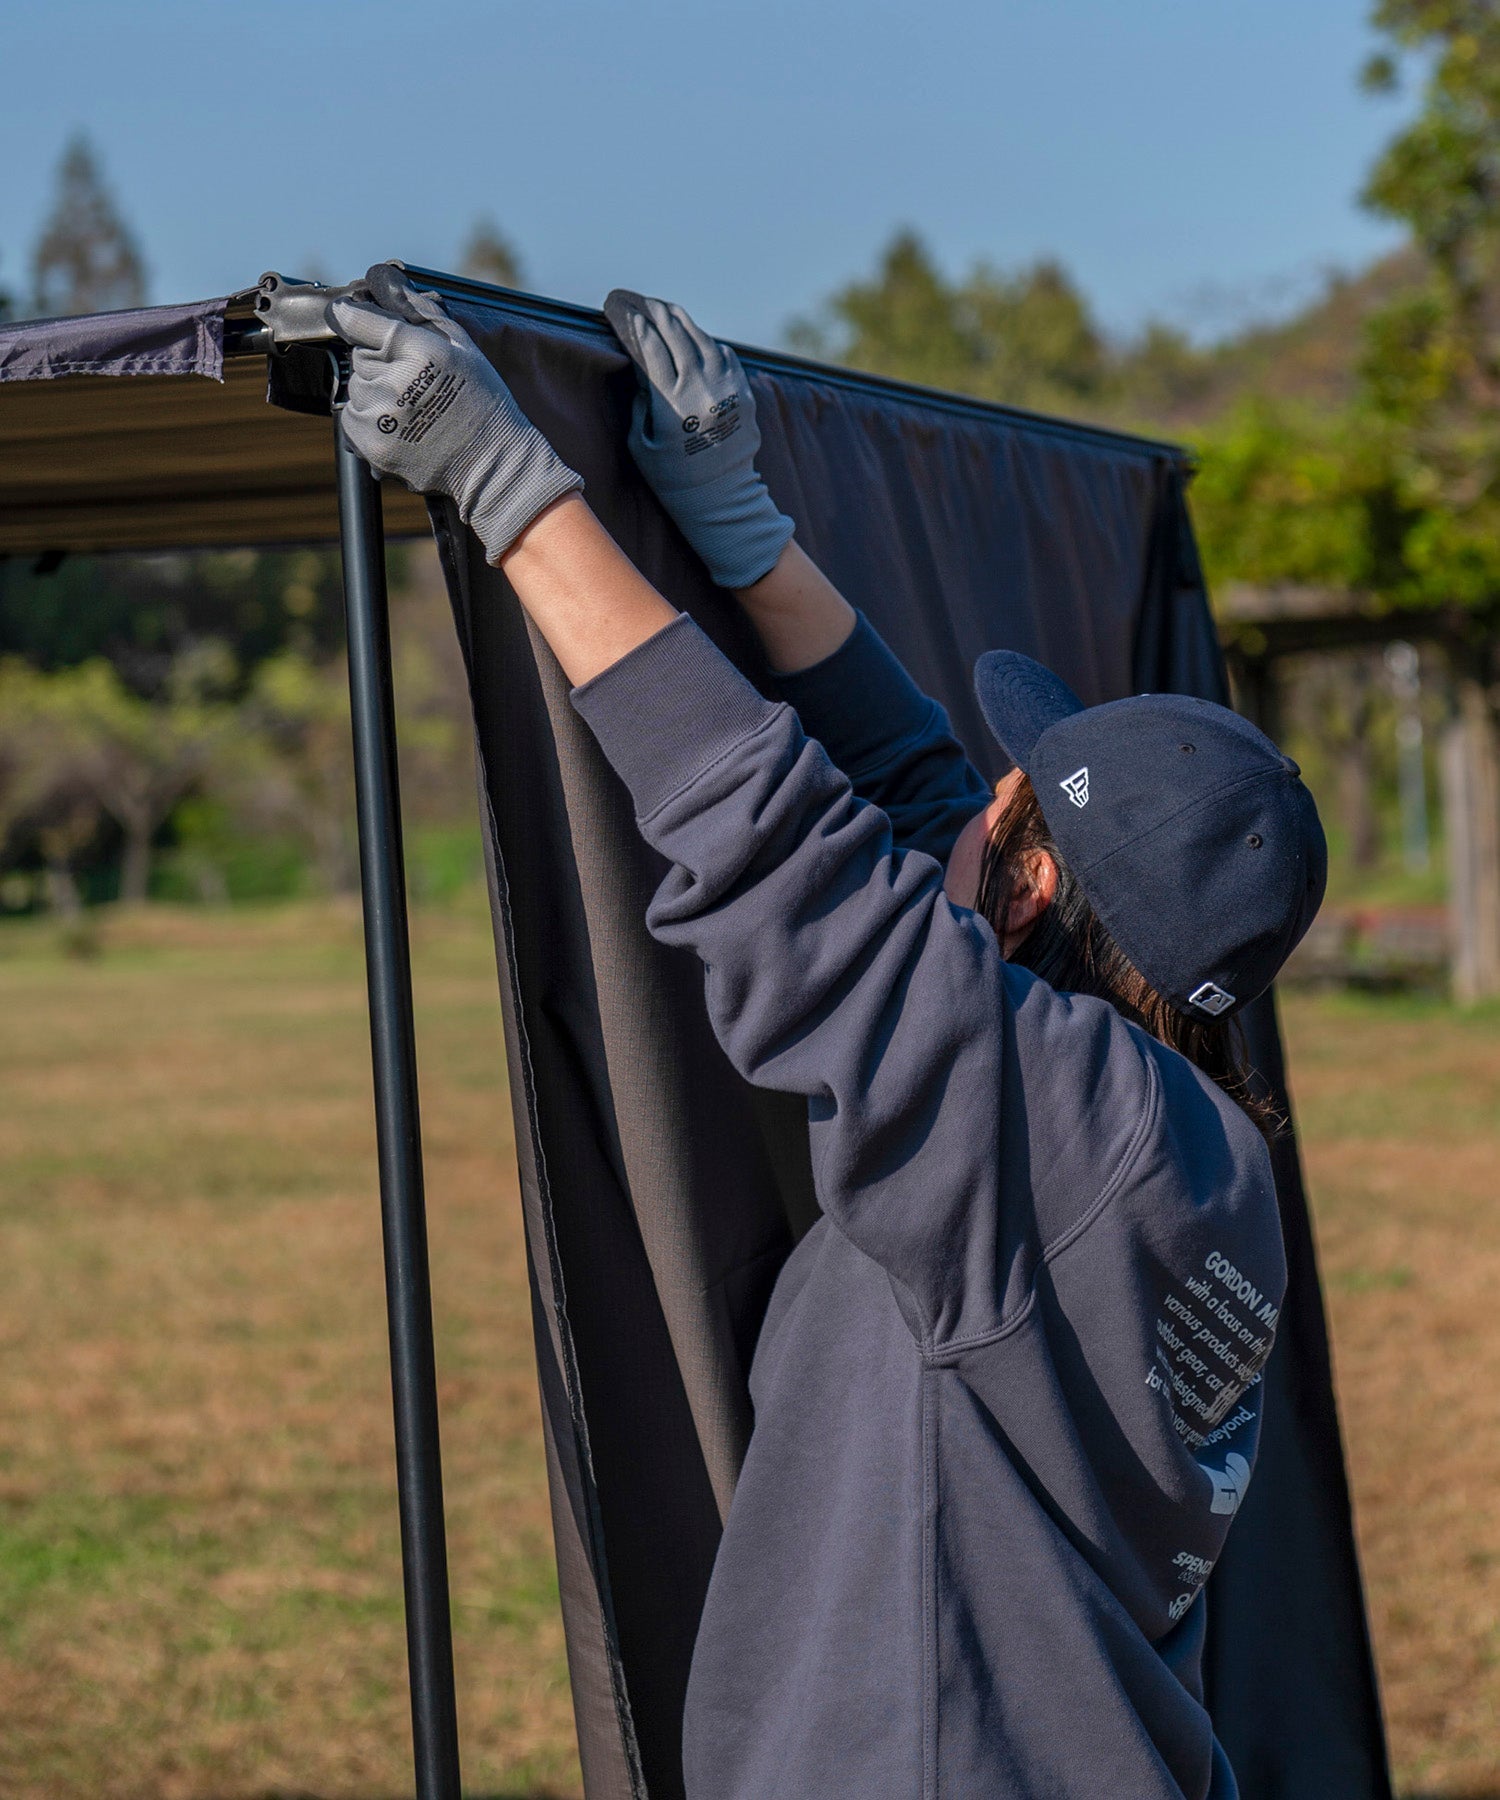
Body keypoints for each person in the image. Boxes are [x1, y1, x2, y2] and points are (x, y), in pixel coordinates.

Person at [328, 270, 1326, 1800]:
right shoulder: (1187, 1136)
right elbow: (926, 805)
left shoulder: (1057, 1122)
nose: (978, 799)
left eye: (1014, 805)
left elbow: (791, 851)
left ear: (1037, 883)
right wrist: (745, 533)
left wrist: (508, 483)